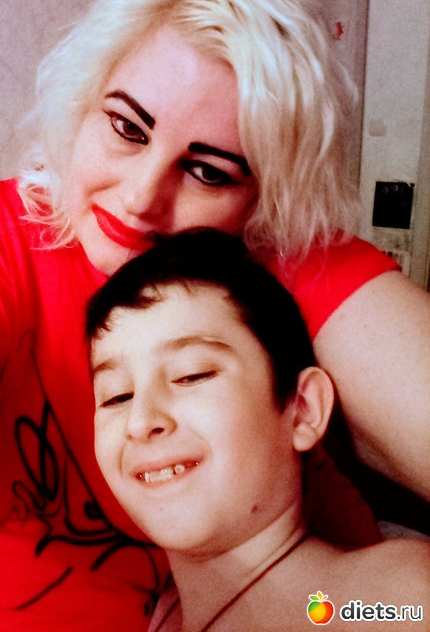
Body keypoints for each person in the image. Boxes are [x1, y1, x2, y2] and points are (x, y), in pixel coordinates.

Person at [0, 0, 429, 632]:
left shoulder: (277, 257)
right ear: (83, 104)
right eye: (127, 128)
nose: (140, 197)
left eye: (209, 172)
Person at [87, 229, 430, 632]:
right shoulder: (160, 617)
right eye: (117, 396)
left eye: (191, 375)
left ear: (302, 409)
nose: (140, 421)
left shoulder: (395, 596)